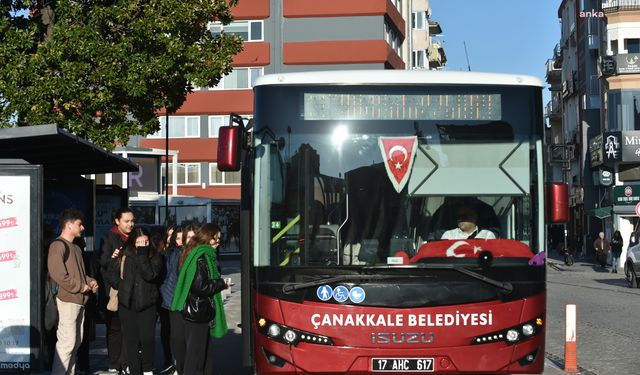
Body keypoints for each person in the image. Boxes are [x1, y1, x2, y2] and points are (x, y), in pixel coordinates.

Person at [171, 224, 229, 375]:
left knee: (201, 356)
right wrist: (221, 283)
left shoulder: (198, 254)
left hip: (198, 312)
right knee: (196, 358)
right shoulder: (201, 257)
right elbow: (200, 286)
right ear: (208, 239)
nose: (218, 243)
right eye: (216, 239)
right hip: (197, 313)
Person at [47, 209, 98, 375]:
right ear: (69, 225)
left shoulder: (75, 248)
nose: (82, 227)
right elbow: (58, 274)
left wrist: (90, 281)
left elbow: (79, 274)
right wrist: (80, 286)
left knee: (75, 342)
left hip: (79, 300)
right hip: (67, 299)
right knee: (67, 343)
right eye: (79, 224)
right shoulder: (57, 245)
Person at [106, 227, 163, 375]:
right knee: (131, 341)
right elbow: (111, 273)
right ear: (133, 242)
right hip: (127, 304)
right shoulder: (124, 254)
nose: (142, 244)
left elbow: (150, 275)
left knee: (147, 339)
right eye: (138, 242)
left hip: (147, 303)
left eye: (145, 241)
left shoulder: (155, 256)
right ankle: (135, 371)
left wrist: (143, 254)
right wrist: (122, 286)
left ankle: (148, 369)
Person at [99, 208, 135, 374]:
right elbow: (103, 262)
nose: (130, 224)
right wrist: (113, 258)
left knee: (129, 328)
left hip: (132, 292)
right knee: (115, 328)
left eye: (132, 221)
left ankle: (126, 362)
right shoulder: (109, 238)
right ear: (117, 221)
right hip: (114, 291)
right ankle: (114, 365)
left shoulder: (135, 237)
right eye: (127, 221)